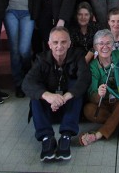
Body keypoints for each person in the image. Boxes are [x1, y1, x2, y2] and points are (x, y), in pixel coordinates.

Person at [22, 26, 91, 161]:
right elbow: (27, 83)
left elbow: (85, 78)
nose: (59, 46)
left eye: (63, 42)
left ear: (69, 43)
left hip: (69, 108)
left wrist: (65, 97)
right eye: (55, 42)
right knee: (36, 93)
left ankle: (66, 136)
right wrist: (48, 96)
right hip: (48, 109)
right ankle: (47, 138)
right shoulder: (41, 59)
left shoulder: (77, 56)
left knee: (75, 87)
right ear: (49, 44)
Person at [4, 0, 42, 98]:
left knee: (25, 50)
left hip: (28, 13)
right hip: (10, 11)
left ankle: (28, 79)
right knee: (14, 50)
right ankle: (19, 84)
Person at [80, 29, 119, 146]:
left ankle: (97, 135)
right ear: (95, 47)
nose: (105, 47)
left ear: (113, 45)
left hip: (118, 101)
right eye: (101, 44)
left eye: (108, 43)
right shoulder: (93, 66)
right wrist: (98, 95)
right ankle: (118, 122)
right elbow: (91, 95)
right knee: (88, 110)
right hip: (103, 104)